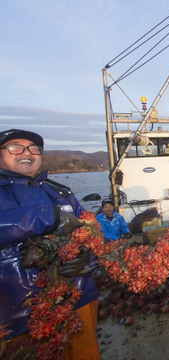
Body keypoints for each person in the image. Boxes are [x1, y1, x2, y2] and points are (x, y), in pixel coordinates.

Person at [0, 129, 101, 359]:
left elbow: (93, 232)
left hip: (79, 299)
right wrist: (41, 217)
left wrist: (86, 256)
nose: (27, 153)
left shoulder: (61, 194)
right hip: (15, 317)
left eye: (33, 149)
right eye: (15, 147)